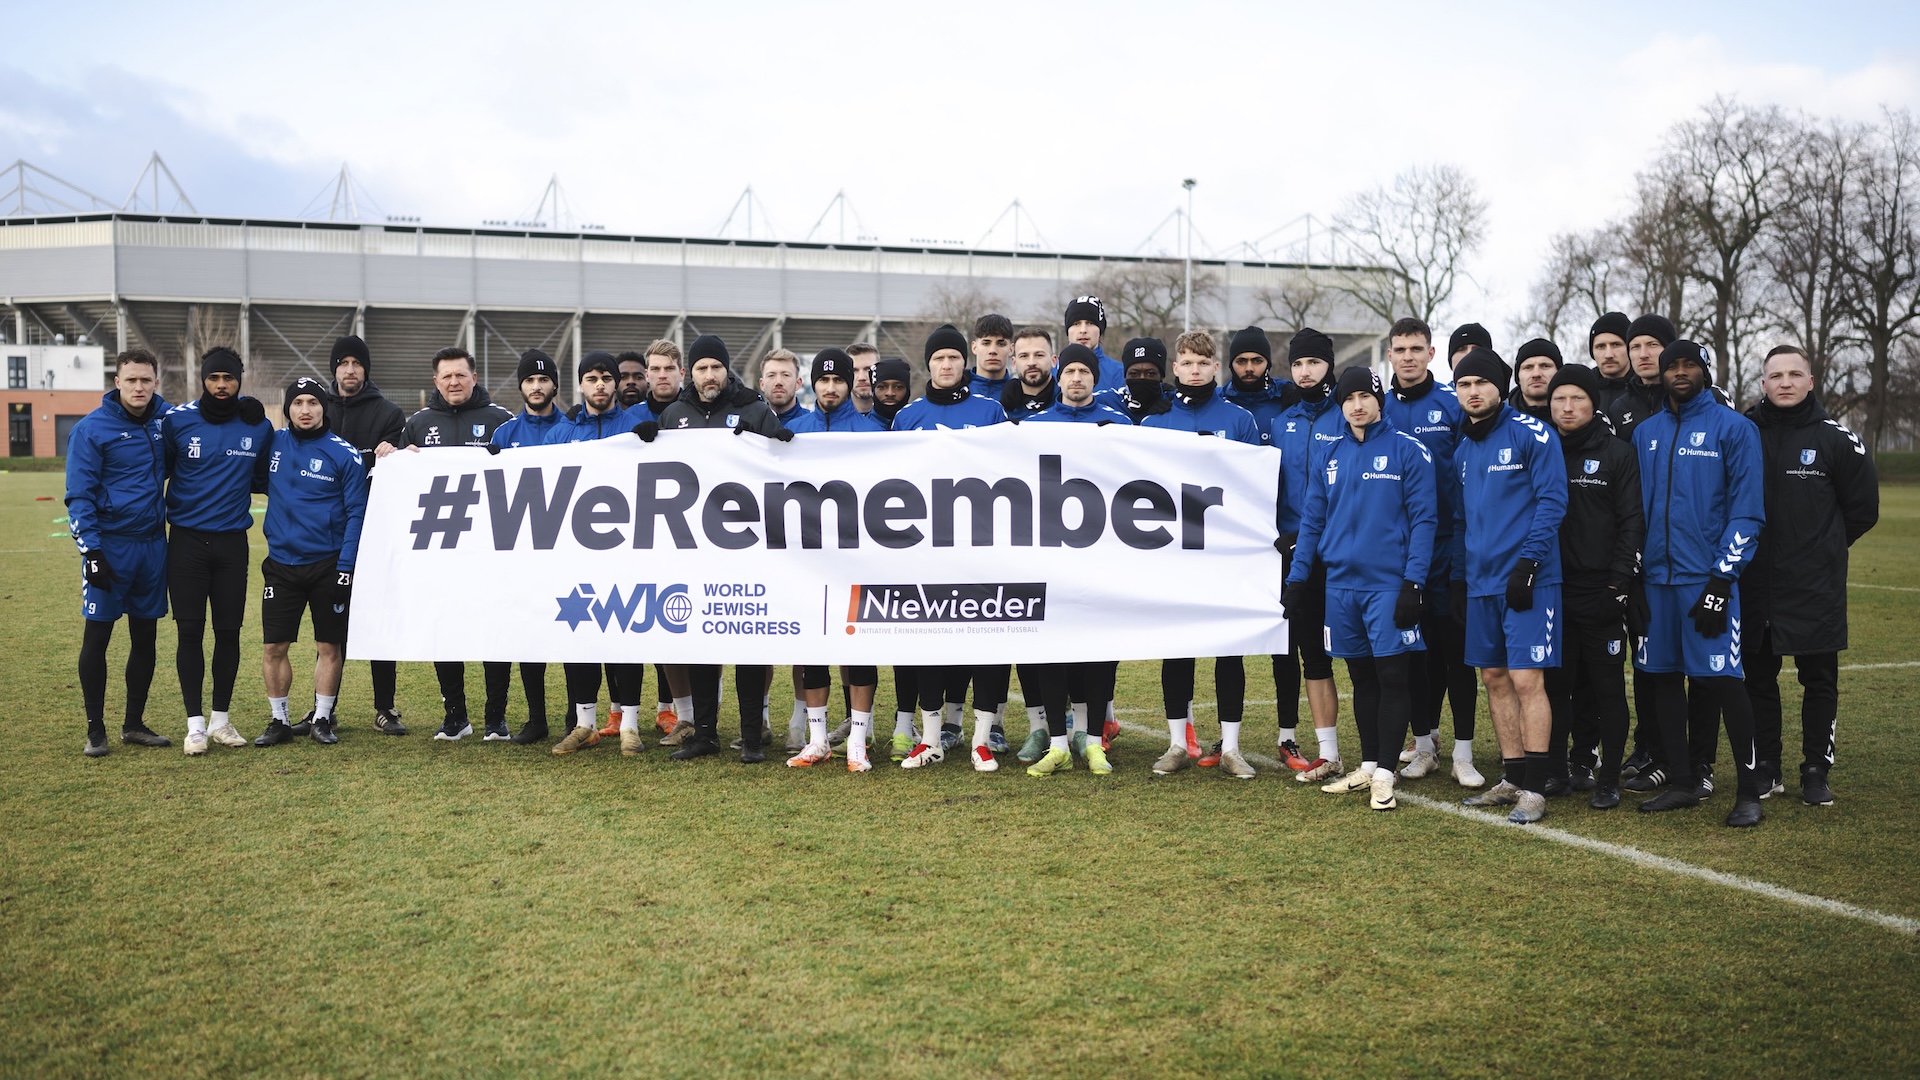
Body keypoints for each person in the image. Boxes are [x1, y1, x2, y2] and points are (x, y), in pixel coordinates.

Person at [1284, 365, 1437, 811]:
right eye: (1349, 398)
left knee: (1393, 675)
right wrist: (1297, 579)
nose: (1357, 404)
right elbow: (1312, 521)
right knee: (1361, 676)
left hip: (1388, 584)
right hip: (1340, 587)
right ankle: (1369, 765)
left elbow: (1426, 520)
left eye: (1365, 396)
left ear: (1378, 399)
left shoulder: (1409, 450)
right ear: (1341, 405)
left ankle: (1387, 774)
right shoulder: (1330, 453)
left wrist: (1414, 582)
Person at [634, 334, 792, 761]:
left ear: (727, 371)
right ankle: (705, 734)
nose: (709, 375)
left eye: (715, 368)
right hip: (694, 549)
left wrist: (783, 444)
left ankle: (752, 738)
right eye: (702, 368)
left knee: (748, 642)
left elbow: (781, 468)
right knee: (701, 641)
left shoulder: (753, 409)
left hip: (746, 548)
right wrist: (646, 443)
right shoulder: (675, 414)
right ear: (693, 373)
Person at [1631, 339, 1768, 827]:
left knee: (1724, 682)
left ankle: (1749, 792)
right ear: (1661, 375)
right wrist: (1635, 580)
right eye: (1673, 366)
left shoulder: (1735, 429)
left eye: (1690, 365)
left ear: (1706, 372)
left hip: (1706, 582)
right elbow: (1634, 515)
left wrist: (1720, 581)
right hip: (1655, 583)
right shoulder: (1645, 433)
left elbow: (1748, 513)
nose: (1681, 372)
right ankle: (1685, 781)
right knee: (1662, 678)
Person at [1743, 345, 1878, 807]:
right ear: (1762, 383)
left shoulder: (1837, 438)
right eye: (1775, 375)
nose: (1784, 382)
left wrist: (1823, 550)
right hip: (1754, 581)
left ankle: (1816, 769)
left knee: (1818, 679)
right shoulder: (1743, 431)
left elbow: (1863, 510)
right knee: (1757, 678)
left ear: (1811, 381)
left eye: (1794, 374)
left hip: (1813, 584)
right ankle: (1767, 769)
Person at [1450, 348, 1568, 824]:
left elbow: (1553, 500)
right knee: (1494, 678)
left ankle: (1536, 789)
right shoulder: (1462, 448)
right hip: (1481, 584)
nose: (1472, 392)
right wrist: (1460, 578)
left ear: (1500, 386)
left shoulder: (1532, 433)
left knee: (1526, 679)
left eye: (1480, 383)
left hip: (1529, 580)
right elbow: (1461, 520)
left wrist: (1528, 564)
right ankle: (1513, 777)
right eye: (1463, 385)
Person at [1142, 330, 1261, 777]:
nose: (1194, 370)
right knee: (1178, 649)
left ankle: (1230, 747)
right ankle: (1177, 743)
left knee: (1229, 650)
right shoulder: (1155, 423)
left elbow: (1255, 487)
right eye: (1187, 362)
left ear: (1217, 368)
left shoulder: (1239, 420)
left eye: (1203, 363)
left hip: (1224, 556)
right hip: (1174, 555)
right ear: (1175, 369)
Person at [888, 324, 1007, 770]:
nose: (946, 365)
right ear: (930, 364)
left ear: (965, 362)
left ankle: (980, 738)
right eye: (939, 358)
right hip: (927, 550)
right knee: (930, 643)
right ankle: (932, 739)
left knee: (989, 641)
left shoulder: (991, 410)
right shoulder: (908, 416)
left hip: (980, 547)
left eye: (954, 358)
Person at [1020, 344, 1135, 778]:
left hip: (1103, 553)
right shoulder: (1032, 426)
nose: (1076, 378)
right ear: (1057, 374)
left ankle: (1090, 741)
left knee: (1098, 651)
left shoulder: (1119, 424)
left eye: (1084, 371)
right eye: (1068, 370)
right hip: (1049, 554)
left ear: (1094, 377)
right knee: (1052, 648)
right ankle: (1056, 743)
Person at [1380, 317, 1482, 788]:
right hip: (1397, 554)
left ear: (1431, 353)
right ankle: (1423, 745)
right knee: (1414, 655)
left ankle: (1463, 752)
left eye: (1415, 349)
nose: (1407, 357)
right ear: (1390, 354)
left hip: (1448, 546)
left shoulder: (1450, 404)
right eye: (1399, 349)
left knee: (1456, 652)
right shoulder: (1374, 408)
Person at [397, 346, 515, 740]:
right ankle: (455, 717)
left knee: (494, 629)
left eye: (460, 375)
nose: (454, 382)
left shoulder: (501, 420)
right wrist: (400, 458)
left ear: (474, 377)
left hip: (491, 549)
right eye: (446, 376)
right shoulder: (417, 425)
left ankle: (495, 718)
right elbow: (401, 486)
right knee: (443, 629)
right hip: (440, 551)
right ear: (435, 381)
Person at [161, 346, 272, 755]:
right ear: (203, 380)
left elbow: (265, 476)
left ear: (239, 380)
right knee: (189, 631)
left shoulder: (257, 425)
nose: (221, 386)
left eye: (229, 378)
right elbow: (160, 468)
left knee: (228, 633)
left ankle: (221, 721)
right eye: (214, 378)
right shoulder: (176, 421)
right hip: (187, 542)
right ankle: (194, 726)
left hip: (232, 544)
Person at [1545, 364, 1643, 810]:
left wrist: (1618, 584)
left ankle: (1607, 780)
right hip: (1552, 590)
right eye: (1559, 399)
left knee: (1606, 689)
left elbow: (1631, 524)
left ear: (1592, 403)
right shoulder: (1540, 448)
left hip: (1601, 591)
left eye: (1577, 398)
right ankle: (1557, 772)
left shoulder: (1618, 455)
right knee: (1556, 687)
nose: (1567, 407)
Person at [782, 348, 886, 770]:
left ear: (849, 383)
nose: (829, 388)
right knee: (813, 649)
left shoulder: (872, 430)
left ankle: (857, 740)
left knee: (858, 647)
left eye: (837, 381)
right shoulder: (794, 429)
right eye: (822, 381)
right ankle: (819, 738)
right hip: (809, 557)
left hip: (858, 556)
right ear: (813, 383)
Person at [251, 378, 368, 747]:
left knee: (328, 647)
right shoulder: (273, 444)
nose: (305, 409)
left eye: (312, 403)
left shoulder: (343, 454)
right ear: (288, 409)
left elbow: (356, 515)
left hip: (327, 564)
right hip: (282, 564)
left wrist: (345, 568)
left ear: (324, 407)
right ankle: (279, 720)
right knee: (274, 647)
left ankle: (321, 717)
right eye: (298, 402)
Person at [67, 349, 172, 757]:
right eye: (131, 380)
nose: (139, 387)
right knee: (98, 635)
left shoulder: (167, 421)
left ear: (156, 382)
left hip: (152, 546)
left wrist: (247, 409)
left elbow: (207, 418)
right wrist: (91, 551)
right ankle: (96, 729)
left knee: (145, 637)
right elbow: (79, 496)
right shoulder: (91, 430)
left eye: (146, 379)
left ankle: (134, 724)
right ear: (117, 382)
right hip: (110, 546)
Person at [1271, 328, 1348, 781]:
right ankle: (1326, 751)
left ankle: (1384, 749)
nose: (1305, 372)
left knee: (1352, 654)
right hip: (1291, 555)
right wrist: (1284, 536)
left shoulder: (1348, 417)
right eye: (1298, 364)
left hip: (1338, 556)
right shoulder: (1283, 423)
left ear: (1328, 366)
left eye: (1313, 363)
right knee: (1305, 654)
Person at [327, 334, 410, 735]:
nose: (350, 369)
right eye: (343, 363)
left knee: (379, 620)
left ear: (365, 369)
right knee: (330, 627)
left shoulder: (389, 413)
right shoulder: (316, 408)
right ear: (335, 369)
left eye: (356, 363)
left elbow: (405, 465)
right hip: (326, 534)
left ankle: (385, 708)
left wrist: (393, 453)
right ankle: (323, 707)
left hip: (376, 533)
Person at [1222, 325, 1292, 444]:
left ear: (1268, 364)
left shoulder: (1288, 397)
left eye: (1257, 361)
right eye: (1241, 361)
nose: (1249, 368)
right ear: (1231, 365)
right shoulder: (1218, 400)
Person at [1061, 295, 1126, 391]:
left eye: (1090, 323)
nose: (1083, 330)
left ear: (1100, 330)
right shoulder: (1051, 371)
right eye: (1076, 324)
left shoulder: (1120, 373)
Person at [999, 326, 1058, 421]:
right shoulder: (1000, 408)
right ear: (1014, 363)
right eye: (1024, 356)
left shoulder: (1066, 403)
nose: (1031, 363)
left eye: (1039, 355)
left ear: (1053, 361)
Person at [1116, 337, 1173, 424]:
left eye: (1150, 374)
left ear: (1161, 376)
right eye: (1134, 374)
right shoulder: (1108, 402)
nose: (1142, 378)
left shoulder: (1175, 403)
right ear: (1126, 375)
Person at [1588, 312, 1635, 413]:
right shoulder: (1582, 390)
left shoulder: (1645, 389)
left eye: (1616, 345)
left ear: (1630, 348)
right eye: (1601, 346)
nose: (1608, 355)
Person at [1510, 339, 1561, 422]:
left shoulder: (1580, 418)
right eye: (1528, 367)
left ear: (1559, 372)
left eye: (1545, 366)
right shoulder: (1497, 418)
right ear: (1518, 377)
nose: (1536, 374)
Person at [967, 314, 1015, 399]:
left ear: (1011, 349)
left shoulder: (1022, 396)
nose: (992, 351)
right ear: (974, 348)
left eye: (1001, 344)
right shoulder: (957, 393)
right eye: (986, 343)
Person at [758, 348, 807, 429]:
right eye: (771, 375)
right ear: (762, 384)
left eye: (786, 375)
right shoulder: (752, 424)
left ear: (798, 383)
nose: (778, 382)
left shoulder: (814, 427)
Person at [870, 357, 912, 429]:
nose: (890, 393)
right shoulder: (860, 427)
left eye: (898, 387)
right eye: (882, 387)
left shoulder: (918, 423)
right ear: (873, 389)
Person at [846, 341, 879, 415]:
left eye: (868, 369)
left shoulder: (897, 418)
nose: (861, 377)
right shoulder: (833, 419)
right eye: (854, 370)